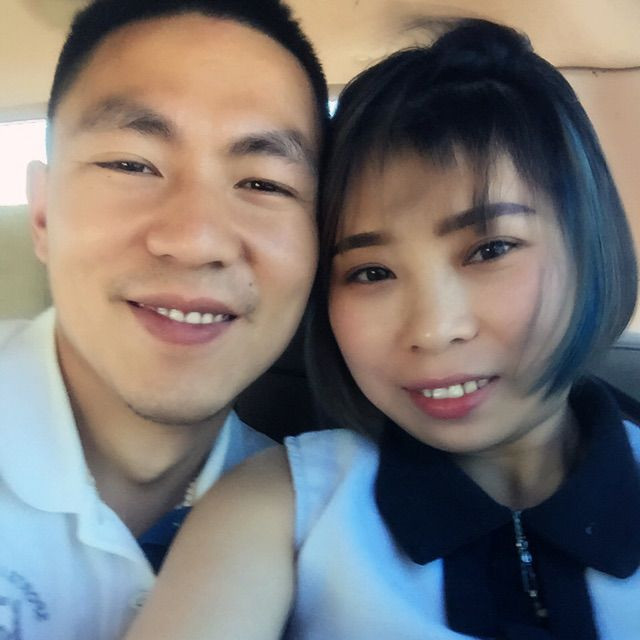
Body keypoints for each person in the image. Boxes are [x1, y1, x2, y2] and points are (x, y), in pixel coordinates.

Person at [124, 18, 640, 640]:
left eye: (490, 249)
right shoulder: (278, 508)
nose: (434, 329)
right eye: (370, 272)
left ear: (591, 244)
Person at [0, 0, 328, 638]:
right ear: (42, 215)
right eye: (131, 164)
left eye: (264, 183)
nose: (195, 240)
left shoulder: (331, 523)